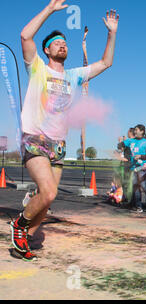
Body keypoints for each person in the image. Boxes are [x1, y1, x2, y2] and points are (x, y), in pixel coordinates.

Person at [10, 0, 119, 261]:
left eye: (65, 43)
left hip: (58, 144)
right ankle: (20, 225)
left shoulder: (73, 75)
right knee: (49, 192)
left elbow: (105, 63)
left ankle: (26, 238)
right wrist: (49, 9)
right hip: (35, 137)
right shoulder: (37, 67)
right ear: (46, 50)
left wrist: (112, 33)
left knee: (47, 200)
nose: (63, 44)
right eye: (57, 42)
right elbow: (25, 35)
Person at [118, 125, 146, 214]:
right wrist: (120, 145)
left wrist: (141, 156)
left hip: (142, 168)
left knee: (144, 186)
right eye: (134, 130)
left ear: (142, 131)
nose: (135, 132)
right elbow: (121, 145)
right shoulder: (131, 141)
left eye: (136, 130)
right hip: (133, 168)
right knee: (135, 187)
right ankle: (138, 206)